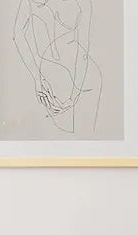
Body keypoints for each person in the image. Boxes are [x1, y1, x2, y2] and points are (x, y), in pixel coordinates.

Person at [13, 0, 103, 135]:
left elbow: (83, 53)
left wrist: (73, 96)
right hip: (59, 84)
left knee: (84, 141)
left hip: (83, 82)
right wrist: (37, 79)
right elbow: (18, 36)